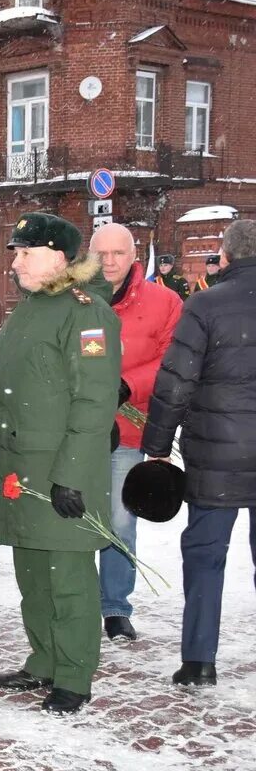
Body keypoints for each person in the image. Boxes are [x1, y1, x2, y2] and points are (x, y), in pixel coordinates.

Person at [0, 213, 121, 715]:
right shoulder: (30, 309)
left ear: (59, 257)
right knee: (33, 574)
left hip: (63, 469)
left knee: (67, 576)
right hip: (21, 468)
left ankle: (74, 672)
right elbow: (10, 397)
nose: (15, 260)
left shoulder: (86, 314)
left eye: (26, 252)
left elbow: (94, 401)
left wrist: (71, 473)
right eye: (16, 252)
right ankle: (43, 658)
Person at [141, 220, 256, 688]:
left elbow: (176, 381)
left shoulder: (205, 304)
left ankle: (199, 660)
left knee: (206, 555)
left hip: (216, 453)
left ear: (224, 257)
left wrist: (156, 446)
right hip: (220, 446)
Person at [89, 223, 182, 643]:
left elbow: (171, 359)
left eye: (118, 253)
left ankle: (114, 606)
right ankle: (72, 599)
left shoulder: (163, 301)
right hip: (76, 428)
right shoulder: (75, 298)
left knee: (119, 521)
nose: (109, 262)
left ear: (133, 255)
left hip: (127, 428)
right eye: (101, 253)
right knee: (70, 516)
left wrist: (128, 385)